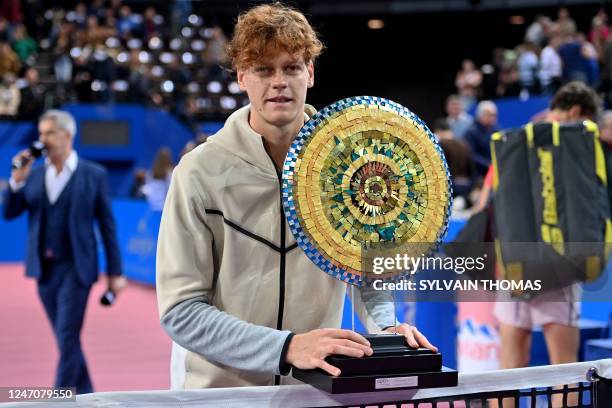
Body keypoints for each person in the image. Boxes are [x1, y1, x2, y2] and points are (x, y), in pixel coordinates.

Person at [156, 2, 436, 389]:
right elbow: (182, 312)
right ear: (241, 76)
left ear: (311, 73)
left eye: (291, 67)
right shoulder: (198, 172)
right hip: (219, 395)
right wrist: (285, 347)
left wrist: (386, 326)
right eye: (263, 69)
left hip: (315, 390)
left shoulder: (349, 167)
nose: (279, 82)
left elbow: (367, 274)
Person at [488, 81, 600, 407]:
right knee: (564, 371)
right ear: (578, 111)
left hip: (514, 263)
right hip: (558, 267)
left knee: (506, 371)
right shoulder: (576, 142)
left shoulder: (517, 137)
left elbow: (490, 199)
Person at [3, 110, 126, 394]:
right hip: (44, 272)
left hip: (77, 268)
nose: (42, 139)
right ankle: (86, 392)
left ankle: (59, 397)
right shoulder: (32, 176)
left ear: (67, 136)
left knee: (67, 334)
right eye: (40, 133)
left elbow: (107, 227)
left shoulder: (93, 175)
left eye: (48, 133)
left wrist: (115, 273)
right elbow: (9, 213)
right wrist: (16, 181)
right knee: (65, 338)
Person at [464, 100, 499, 178]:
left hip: (496, 172)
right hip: (479, 175)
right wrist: (489, 165)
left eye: (494, 115)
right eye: (490, 115)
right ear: (481, 115)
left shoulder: (497, 131)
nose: (493, 118)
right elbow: (471, 155)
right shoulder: (471, 132)